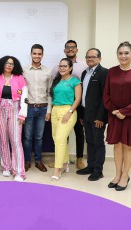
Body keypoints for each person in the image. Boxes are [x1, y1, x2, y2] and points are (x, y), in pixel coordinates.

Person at [103, 41, 131, 191]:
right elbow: (106, 94)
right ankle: (117, 174)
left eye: (126, 53)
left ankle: (125, 175)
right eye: (120, 53)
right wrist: (114, 111)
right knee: (117, 145)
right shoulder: (112, 71)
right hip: (115, 115)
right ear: (117, 55)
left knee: (128, 145)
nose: (123, 56)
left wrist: (125, 112)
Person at [51, 40, 88, 169]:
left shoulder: (83, 66)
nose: (70, 49)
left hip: (76, 105)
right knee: (61, 135)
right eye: (68, 47)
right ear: (64, 50)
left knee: (79, 131)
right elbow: (54, 86)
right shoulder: (56, 67)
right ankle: (61, 159)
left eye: (73, 47)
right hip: (60, 105)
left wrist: (73, 110)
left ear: (76, 50)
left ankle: (79, 158)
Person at [0, 56, 27, 182]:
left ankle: (19, 171)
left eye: (12, 64)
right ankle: (6, 167)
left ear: (15, 66)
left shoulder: (20, 79)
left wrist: (22, 114)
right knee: (3, 140)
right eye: (7, 63)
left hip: (15, 111)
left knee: (16, 141)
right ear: (2, 64)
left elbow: (25, 97)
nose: (9, 65)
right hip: (0, 111)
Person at [77, 48, 108, 181]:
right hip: (86, 115)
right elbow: (84, 96)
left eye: (93, 57)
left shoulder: (104, 73)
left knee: (98, 142)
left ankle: (98, 170)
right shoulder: (85, 73)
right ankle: (90, 166)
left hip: (97, 117)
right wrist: (82, 115)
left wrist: (101, 117)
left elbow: (105, 97)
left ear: (99, 59)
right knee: (89, 141)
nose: (90, 59)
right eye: (88, 57)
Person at [22, 44, 52, 172]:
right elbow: (20, 91)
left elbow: (50, 92)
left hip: (43, 108)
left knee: (39, 137)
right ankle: (27, 161)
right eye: (35, 53)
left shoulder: (48, 71)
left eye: (39, 54)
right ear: (31, 54)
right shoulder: (23, 70)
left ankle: (38, 161)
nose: (37, 56)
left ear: (42, 55)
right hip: (28, 108)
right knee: (27, 137)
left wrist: (49, 110)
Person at [50, 58, 82, 181]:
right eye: (60, 66)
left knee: (60, 139)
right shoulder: (56, 81)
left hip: (68, 111)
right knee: (57, 139)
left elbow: (78, 99)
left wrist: (69, 112)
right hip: (55, 110)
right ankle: (64, 164)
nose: (62, 68)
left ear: (70, 68)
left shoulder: (75, 81)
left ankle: (57, 169)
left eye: (64, 66)